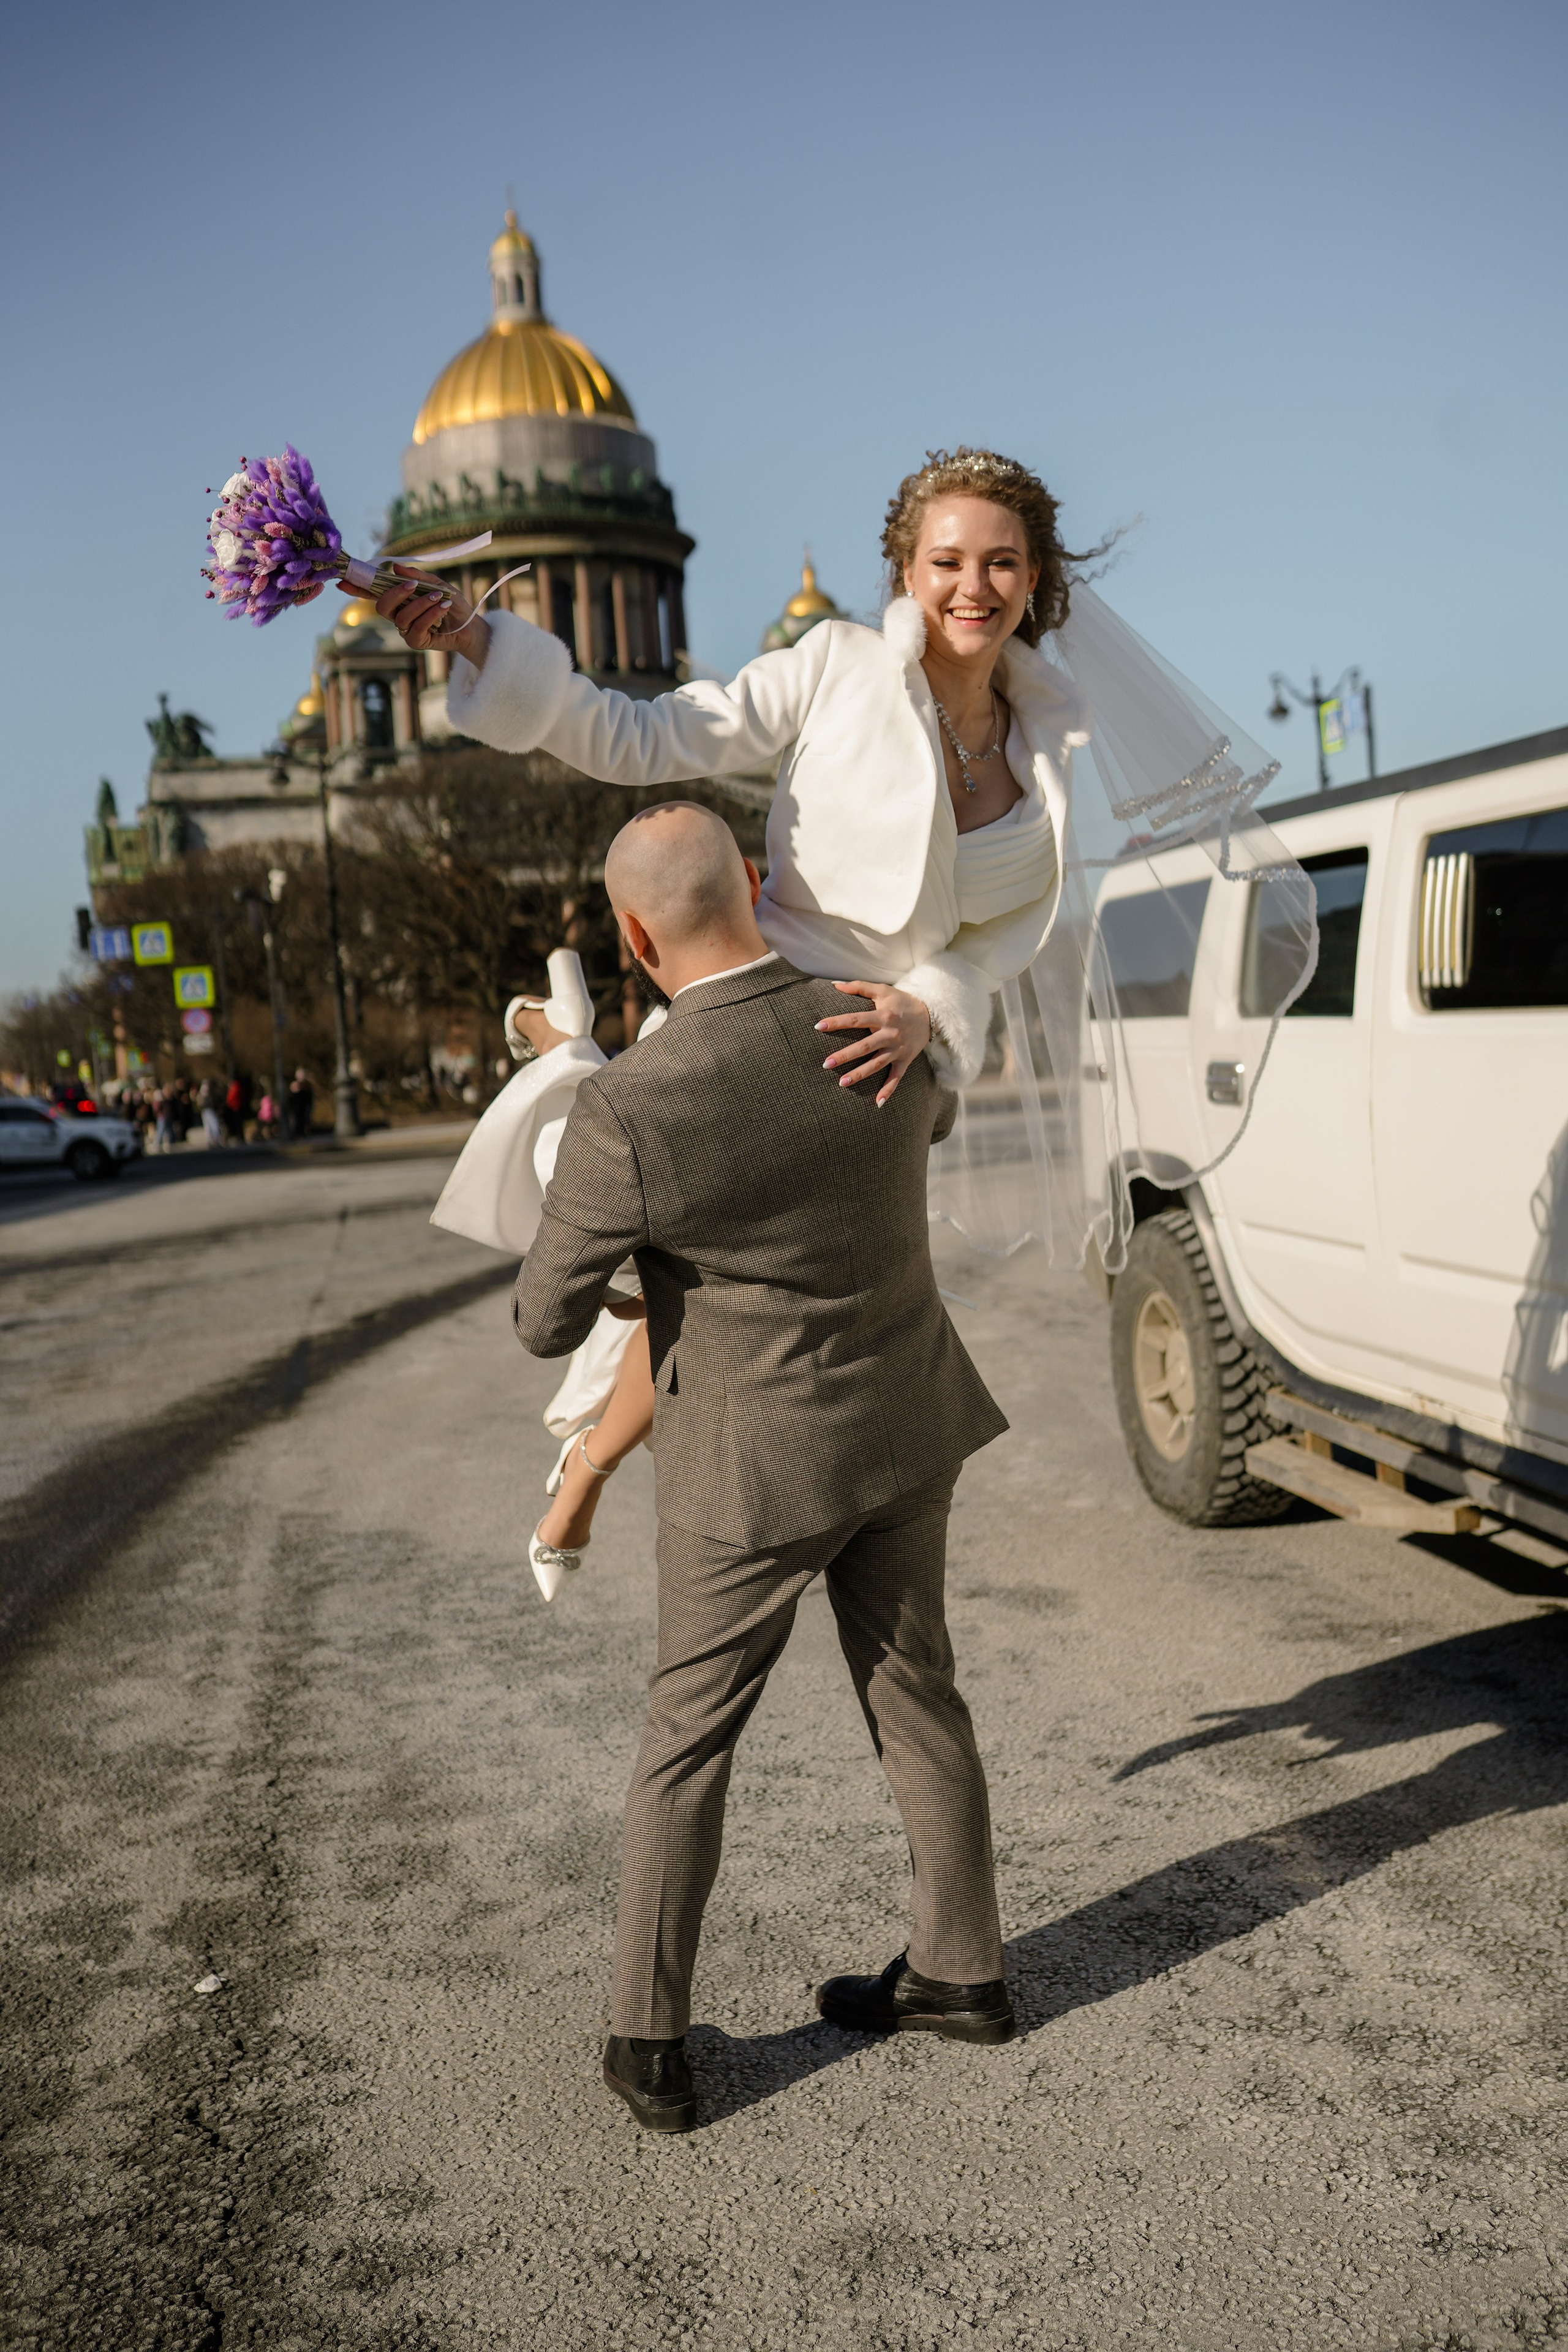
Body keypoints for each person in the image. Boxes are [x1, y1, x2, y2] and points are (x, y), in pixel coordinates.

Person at [363, 445, 1314, 1273]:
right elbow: (640, 738)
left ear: (1034, 578)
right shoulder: (837, 665)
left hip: (882, 1062)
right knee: (638, 1269)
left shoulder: (1049, 747)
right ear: (906, 573)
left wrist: (929, 1008)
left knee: (785, 1323)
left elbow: (994, 940)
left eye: (1001, 563)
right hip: (758, 1014)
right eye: (947, 561)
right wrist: (480, 642)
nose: (974, 587)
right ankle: (562, 1046)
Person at [514, 801, 1013, 2134]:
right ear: (752, 879)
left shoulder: (632, 1104)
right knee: (918, 1692)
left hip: (751, 1467)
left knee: (687, 1743)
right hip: (904, 1420)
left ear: (633, 940)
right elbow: (918, 1128)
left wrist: (644, 1261)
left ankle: (651, 2045)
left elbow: (542, 1322)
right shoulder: (877, 1020)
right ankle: (963, 1972)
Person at [287, 1067, 314, 1141]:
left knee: (304, 1120)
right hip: (297, 1108)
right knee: (297, 1121)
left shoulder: (307, 1086)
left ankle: (302, 1134)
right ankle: (298, 1134)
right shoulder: (295, 1085)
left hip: (303, 1107)